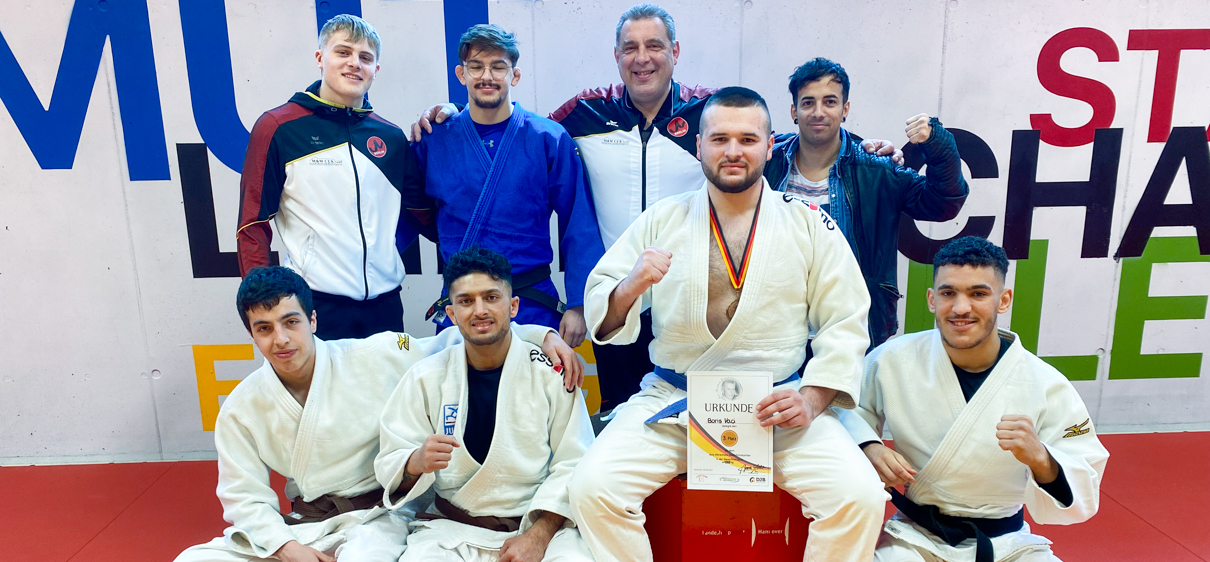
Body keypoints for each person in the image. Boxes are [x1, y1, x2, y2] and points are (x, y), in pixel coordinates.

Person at [413, 4, 904, 412]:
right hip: (621, 291)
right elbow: (516, 134)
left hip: (686, 291)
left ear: (675, 52)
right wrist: (452, 116)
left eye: (654, 46)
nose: (642, 58)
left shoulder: (707, 113)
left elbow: (766, 144)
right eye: (630, 48)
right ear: (617, 56)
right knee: (627, 412)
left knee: (708, 413)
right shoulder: (584, 113)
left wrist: (861, 150)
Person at [568, 87, 886, 562]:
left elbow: (845, 318)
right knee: (592, 489)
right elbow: (604, 315)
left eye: (747, 139)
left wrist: (812, 398)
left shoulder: (808, 224)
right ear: (699, 146)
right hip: (673, 401)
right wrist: (631, 285)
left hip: (776, 407)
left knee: (860, 498)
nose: (733, 151)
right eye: (719, 139)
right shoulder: (663, 219)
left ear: (770, 145)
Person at [174, 266, 580, 562]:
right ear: (251, 334)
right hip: (303, 522)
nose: (280, 339)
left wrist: (538, 335)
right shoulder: (241, 407)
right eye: (264, 328)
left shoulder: (376, 354)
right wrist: (285, 546)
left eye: (290, 322)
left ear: (312, 320)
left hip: (375, 517)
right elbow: (244, 496)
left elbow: (463, 338)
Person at [838, 237, 1109, 562]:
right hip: (914, 537)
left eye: (978, 294)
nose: (961, 308)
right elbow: (842, 410)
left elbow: (1085, 485)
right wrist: (868, 445)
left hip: (1008, 544)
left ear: (1003, 300)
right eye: (948, 293)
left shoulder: (1045, 383)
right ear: (931, 299)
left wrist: (1041, 458)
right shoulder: (892, 360)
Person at [375, 247, 595, 561]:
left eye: (491, 297)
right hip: (450, 530)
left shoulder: (550, 374)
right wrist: (415, 462)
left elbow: (575, 463)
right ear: (452, 314)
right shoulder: (426, 377)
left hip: (538, 527)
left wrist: (538, 537)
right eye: (466, 301)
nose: (479, 310)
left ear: (513, 306)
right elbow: (390, 463)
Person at [236, 15, 429, 341]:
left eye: (365, 57)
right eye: (343, 52)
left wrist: (455, 117)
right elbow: (252, 224)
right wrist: (262, 304)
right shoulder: (279, 127)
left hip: (386, 306)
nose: (354, 63)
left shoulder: (391, 137)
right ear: (320, 58)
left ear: (376, 69)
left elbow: (423, 214)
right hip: (314, 307)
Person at [412, 24, 604, 348]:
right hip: (463, 303)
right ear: (461, 74)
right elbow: (415, 210)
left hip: (531, 302)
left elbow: (579, 222)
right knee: (457, 382)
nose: (486, 76)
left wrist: (579, 304)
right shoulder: (435, 138)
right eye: (476, 66)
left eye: (498, 67)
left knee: (537, 382)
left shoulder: (548, 138)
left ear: (514, 75)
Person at [765, 57, 969, 349]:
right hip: (776, 333)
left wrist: (936, 142)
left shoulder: (877, 168)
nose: (818, 112)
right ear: (794, 111)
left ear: (845, 109)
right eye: (808, 102)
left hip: (852, 334)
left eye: (830, 102)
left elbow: (943, 203)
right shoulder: (767, 161)